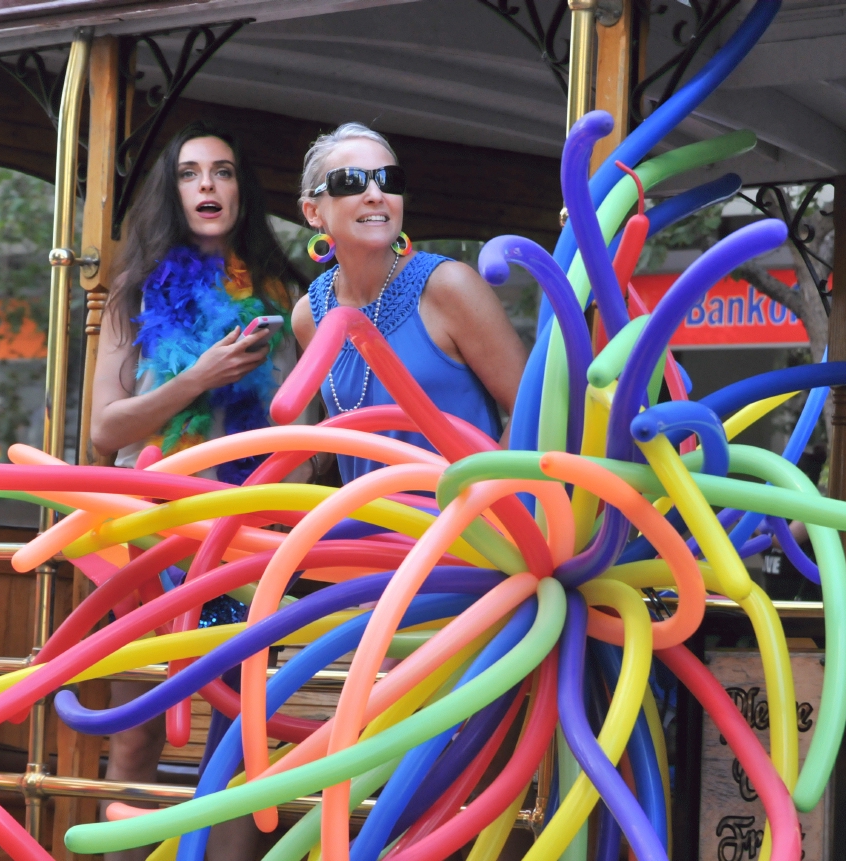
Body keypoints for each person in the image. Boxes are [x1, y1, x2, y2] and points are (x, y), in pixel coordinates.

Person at [91, 119, 306, 861]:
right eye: (190, 173)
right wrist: (197, 379)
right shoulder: (136, 289)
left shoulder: (286, 294)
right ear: (172, 190)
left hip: (251, 543)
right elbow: (103, 432)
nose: (207, 186)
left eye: (222, 171)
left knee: (244, 735)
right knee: (138, 728)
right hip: (152, 535)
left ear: (243, 189)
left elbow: (306, 429)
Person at [291, 123, 527, 479]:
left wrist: (485, 509)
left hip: (463, 526)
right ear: (313, 212)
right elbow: (352, 419)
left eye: (389, 180)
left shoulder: (449, 286)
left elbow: (531, 407)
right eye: (351, 181)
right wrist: (296, 470)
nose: (375, 194)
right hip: (368, 529)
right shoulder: (309, 315)